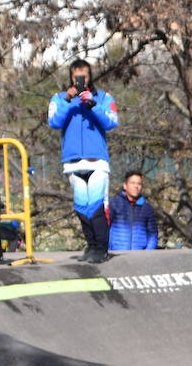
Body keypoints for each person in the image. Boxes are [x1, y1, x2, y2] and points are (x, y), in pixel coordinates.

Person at [48, 59, 119, 263]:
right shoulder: (59, 98)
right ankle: (91, 245)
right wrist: (68, 100)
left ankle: (101, 247)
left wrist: (93, 105)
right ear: (70, 76)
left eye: (84, 76)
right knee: (81, 207)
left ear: (90, 76)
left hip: (96, 161)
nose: (81, 79)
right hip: (72, 162)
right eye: (77, 75)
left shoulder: (104, 97)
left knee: (96, 205)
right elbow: (54, 121)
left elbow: (112, 121)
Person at [107, 170, 158, 251]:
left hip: (139, 258)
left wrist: (147, 254)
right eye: (132, 183)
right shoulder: (114, 203)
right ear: (125, 185)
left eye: (139, 184)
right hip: (116, 255)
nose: (136, 186)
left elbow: (153, 235)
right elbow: (104, 228)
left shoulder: (147, 208)